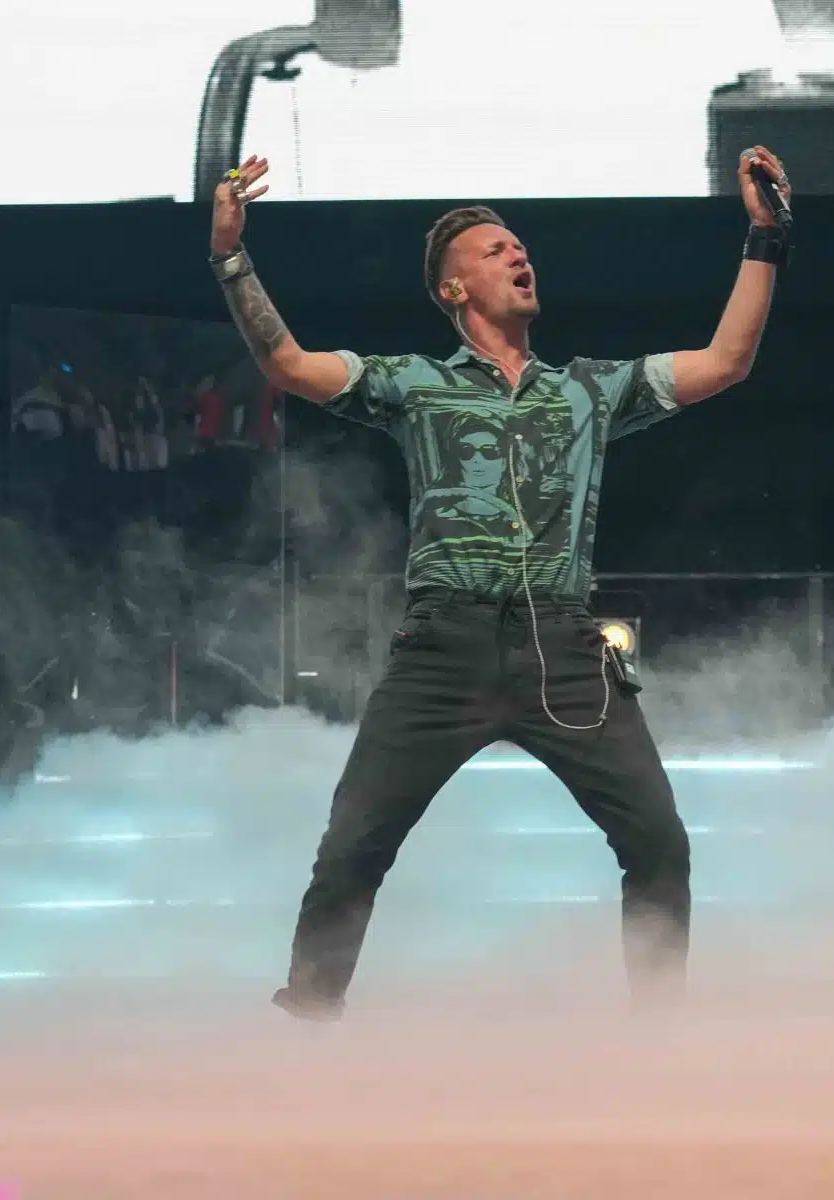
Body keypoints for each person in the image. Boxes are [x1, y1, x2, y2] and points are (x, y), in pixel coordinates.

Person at [208, 146, 791, 1020]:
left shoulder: (589, 392)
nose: (519, 255)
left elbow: (727, 360)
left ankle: (660, 1042)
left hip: (563, 648)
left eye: (520, 247)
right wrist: (230, 255)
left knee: (658, 843)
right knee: (353, 845)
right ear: (455, 289)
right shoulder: (416, 387)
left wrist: (765, 237)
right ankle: (310, 1027)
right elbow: (289, 363)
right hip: (442, 647)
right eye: (495, 250)